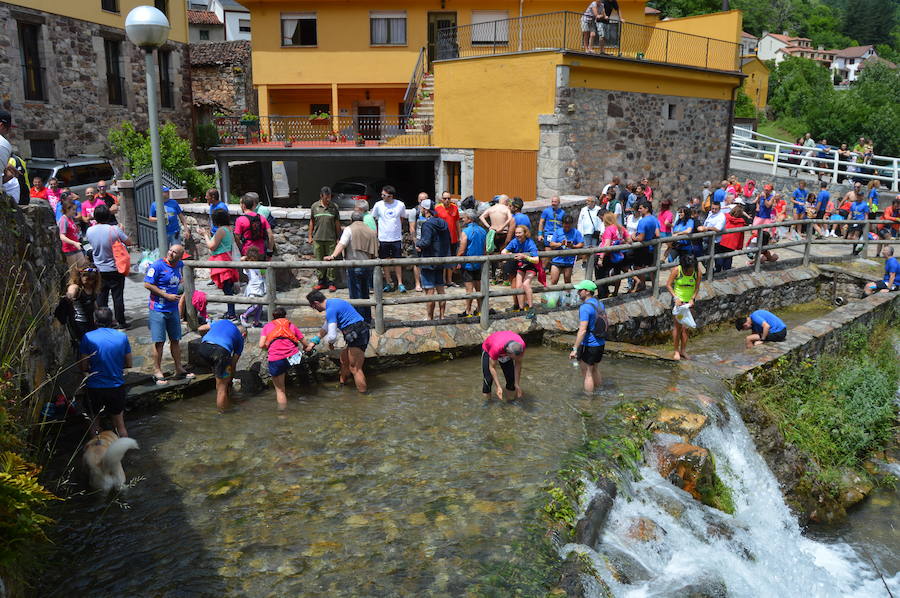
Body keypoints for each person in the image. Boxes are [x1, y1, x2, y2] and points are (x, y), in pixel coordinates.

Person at [144, 244, 193, 385]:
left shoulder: (180, 265)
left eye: (174, 252)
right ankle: (157, 370)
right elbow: (147, 284)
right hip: (158, 308)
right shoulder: (157, 265)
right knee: (159, 341)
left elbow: (181, 279)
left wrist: (180, 289)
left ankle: (178, 367)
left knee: (175, 339)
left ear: (180, 256)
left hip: (172, 309)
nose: (170, 253)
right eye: (170, 250)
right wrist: (165, 295)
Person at [79, 307, 132, 437]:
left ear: (95, 321)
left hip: (94, 387)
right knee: (120, 426)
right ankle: (124, 454)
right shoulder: (122, 337)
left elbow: (83, 365)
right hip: (115, 386)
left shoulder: (88, 337)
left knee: (95, 425)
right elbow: (129, 363)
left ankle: (98, 454)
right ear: (112, 320)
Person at [307, 291, 369, 393]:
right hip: (356, 332)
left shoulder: (330, 309)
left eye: (312, 306)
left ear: (316, 303)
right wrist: (313, 342)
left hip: (357, 333)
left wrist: (330, 343)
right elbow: (326, 327)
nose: (314, 308)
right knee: (344, 359)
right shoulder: (334, 302)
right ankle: (342, 386)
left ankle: (364, 396)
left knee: (355, 368)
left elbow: (332, 336)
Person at [85, 205, 133, 329]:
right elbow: (129, 242)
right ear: (108, 216)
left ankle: (104, 322)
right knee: (118, 297)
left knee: (101, 298)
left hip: (99, 269)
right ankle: (121, 322)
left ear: (95, 217)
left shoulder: (89, 231)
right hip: (115, 268)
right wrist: (122, 230)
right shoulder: (114, 229)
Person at [325, 210, 378, 323]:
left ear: (351, 220)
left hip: (354, 265)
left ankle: (358, 320)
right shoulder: (370, 230)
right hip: (367, 266)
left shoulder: (349, 229)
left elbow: (342, 244)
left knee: (355, 295)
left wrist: (333, 256)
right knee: (365, 293)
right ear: (362, 219)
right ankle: (367, 319)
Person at [259, 307, 316, 409]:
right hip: (293, 358)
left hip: (277, 359)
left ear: (273, 317)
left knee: (280, 390)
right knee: (295, 367)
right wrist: (307, 347)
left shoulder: (267, 326)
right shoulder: (291, 325)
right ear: (285, 316)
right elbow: (304, 343)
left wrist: (268, 347)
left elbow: (261, 345)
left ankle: (283, 415)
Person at [197, 318, 246, 412]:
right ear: (243, 334)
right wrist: (229, 381)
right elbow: (233, 363)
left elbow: (201, 329)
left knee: (218, 375)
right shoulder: (240, 339)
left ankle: (219, 387)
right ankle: (223, 414)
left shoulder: (223, 322)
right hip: (220, 352)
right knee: (222, 388)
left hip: (203, 348)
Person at [415, 200, 451, 320]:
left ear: (425, 210)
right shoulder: (443, 223)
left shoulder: (427, 224)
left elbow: (425, 242)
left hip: (428, 261)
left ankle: (430, 317)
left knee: (429, 291)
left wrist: (417, 243)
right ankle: (442, 316)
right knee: (441, 289)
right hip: (440, 260)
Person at [569, 280, 606, 393]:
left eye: (580, 290)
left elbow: (582, 330)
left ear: (587, 291)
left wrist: (575, 349)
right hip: (600, 342)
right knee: (595, 368)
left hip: (589, 344)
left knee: (587, 373)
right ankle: (599, 392)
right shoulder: (599, 303)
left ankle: (588, 401)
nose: (578, 292)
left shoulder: (585, 307)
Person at [202, 209, 239, 320]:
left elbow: (212, 246)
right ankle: (230, 311)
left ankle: (231, 313)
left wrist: (205, 235)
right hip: (227, 259)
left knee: (227, 289)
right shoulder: (229, 229)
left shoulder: (221, 230)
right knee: (228, 288)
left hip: (222, 260)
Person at [371, 185, 407, 293]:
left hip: (396, 237)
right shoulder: (378, 205)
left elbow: (402, 217)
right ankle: (388, 282)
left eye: (384, 195)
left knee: (397, 260)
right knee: (385, 261)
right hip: (383, 237)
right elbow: (374, 218)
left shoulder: (400, 205)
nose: (382, 196)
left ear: (390, 196)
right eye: (381, 194)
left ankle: (400, 283)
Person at [666, 253, 700, 360]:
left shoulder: (697, 272)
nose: (690, 270)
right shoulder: (677, 270)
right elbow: (668, 285)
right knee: (677, 326)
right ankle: (676, 350)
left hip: (689, 303)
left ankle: (683, 350)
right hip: (678, 302)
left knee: (685, 328)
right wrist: (676, 298)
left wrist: (693, 298)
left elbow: (697, 287)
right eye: (688, 268)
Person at [502, 224, 540, 318]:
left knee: (526, 284)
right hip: (521, 266)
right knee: (518, 286)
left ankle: (531, 308)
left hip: (531, 265)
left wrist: (525, 256)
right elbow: (503, 251)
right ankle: (521, 308)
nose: (517, 235)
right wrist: (509, 253)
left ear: (525, 233)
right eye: (516, 233)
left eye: (519, 233)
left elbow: (536, 259)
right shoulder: (514, 241)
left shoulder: (530, 242)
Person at [309, 186, 342, 292]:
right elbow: (312, 222)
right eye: (326, 197)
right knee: (319, 260)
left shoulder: (334, 207)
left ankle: (331, 282)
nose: (328, 199)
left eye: (329, 197)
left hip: (331, 239)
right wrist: (310, 236)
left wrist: (338, 238)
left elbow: (337, 223)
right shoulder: (314, 206)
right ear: (321, 196)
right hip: (318, 238)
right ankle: (321, 282)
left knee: (331, 261)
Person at [456, 209, 486, 317]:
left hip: (468, 264)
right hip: (479, 263)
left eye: (464, 217)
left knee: (469, 289)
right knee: (478, 288)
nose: (462, 219)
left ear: (469, 219)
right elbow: (484, 249)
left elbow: (462, 249)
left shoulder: (466, 232)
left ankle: (468, 311)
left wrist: (456, 260)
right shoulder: (483, 231)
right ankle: (480, 309)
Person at [481, 330, 525, 401]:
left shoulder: (521, 345)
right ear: (508, 354)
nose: (515, 360)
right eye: (514, 358)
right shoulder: (496, 347)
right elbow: (492, 367)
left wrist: (517, 384)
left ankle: (510, 402)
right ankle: (487, 403)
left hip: (505, 348)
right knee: (488, 380)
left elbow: (518, 364)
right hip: (489, 349)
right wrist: (498, 386)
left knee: (511, 380)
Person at [596, 211, 630, 297]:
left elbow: (606, 245)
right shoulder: (620, 228)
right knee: (616, 273)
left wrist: (601, 258)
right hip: (616, 255)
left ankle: (603, 294)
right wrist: (620, 242)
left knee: (600, 275)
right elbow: (629, 240)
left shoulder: (609, 229)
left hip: (606, 255)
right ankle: (613, 292)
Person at [234, 192, 275, 258]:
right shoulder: (262, 218)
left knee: (249, 268)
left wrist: (241, 248)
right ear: (253, 205)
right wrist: (270, 251)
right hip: (260, 251)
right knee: (262, 268)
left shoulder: (240, 220)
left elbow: (236, 237)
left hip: (247, 252)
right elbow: (270, 235)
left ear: (243, 205)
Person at [630, 201, 659, 292]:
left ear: (646, 209)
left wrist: (633, 236)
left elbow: (640, 238)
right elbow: (657, 234)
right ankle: (654, 286)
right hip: (651, 247)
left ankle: (642, 285)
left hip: (643, 248)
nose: (639, 210)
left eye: (641, 208)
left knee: (638, 267)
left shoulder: (642, 221)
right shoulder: (654, 219)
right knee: (651, 268)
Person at [66, 265, 100, 342]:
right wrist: (69, 295)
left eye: (92, 279)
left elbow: (94, 303)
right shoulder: (76, 287)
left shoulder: (92, 288)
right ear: (80, 275)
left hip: (91, 321)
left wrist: (98, 316)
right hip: (79, 323)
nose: (88, 281)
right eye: (86, 278)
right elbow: (70, 292)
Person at [548, 215, 584, 286]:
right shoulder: (557, 232)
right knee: (553, 280)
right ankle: (551, 296)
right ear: (562, 224)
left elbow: (581, 243)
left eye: (568, 226)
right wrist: (560, 244)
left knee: (567, 280)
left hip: (569, 260)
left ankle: (567, 296)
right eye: (565, 226)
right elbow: (551, 244)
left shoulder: (576, 232)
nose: (567, 228)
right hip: (557, 260)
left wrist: (573, 246)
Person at [435, 192, 460, 287]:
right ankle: (442, 281)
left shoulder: (455, 207)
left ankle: (449, 280)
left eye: (449, 198)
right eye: (445, 198)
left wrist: (460, 235)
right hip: (441, 239)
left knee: (451, 259)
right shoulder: (437, 208)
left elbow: (457, 222)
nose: (447, 200)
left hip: (453, 238)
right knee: (443, 260)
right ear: (442, 199)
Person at [238, 246, 267, 328]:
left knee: (260, 306)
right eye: (252, 259)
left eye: (255, 259)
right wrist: (247, 257)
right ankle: (244, 315)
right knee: (255, 305)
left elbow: (263, 274)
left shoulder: (259, 266)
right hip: (252, 289)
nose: (253, 261)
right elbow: (242, 260)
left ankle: (256, 321)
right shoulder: (248, 267)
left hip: (260, 288)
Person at [409, 192, 431, 292]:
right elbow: (412, 228)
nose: (423, 201)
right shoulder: (415, 211)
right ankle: (418, 283)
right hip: (419, 239)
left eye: (425, 199)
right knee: (417, 263)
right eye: (421, 200)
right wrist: (416, 242)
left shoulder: (431, 211)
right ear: (418, 200)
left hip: (429, 240)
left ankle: (427, 282)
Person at [697, 200, 726, 272]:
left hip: (715, 241)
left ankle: (716, 272)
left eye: (716, 209)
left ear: (719, 208)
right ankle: (710, 271)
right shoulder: (710, 213)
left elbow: (718, 229)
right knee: (705, 256)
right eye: (712, 208)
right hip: (706, 239)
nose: (713, 210)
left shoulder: (721, 216)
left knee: (716, 258)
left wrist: (706, 228)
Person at [58, 199, 85, 272]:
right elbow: (62, 236)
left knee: (82, 268)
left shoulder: (70, 219)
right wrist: (74, 243)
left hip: (76, 247)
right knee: (74, 272)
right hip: (69, 249)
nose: (75, 212)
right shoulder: (63, 220)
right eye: (73, 209)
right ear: (67, 209)